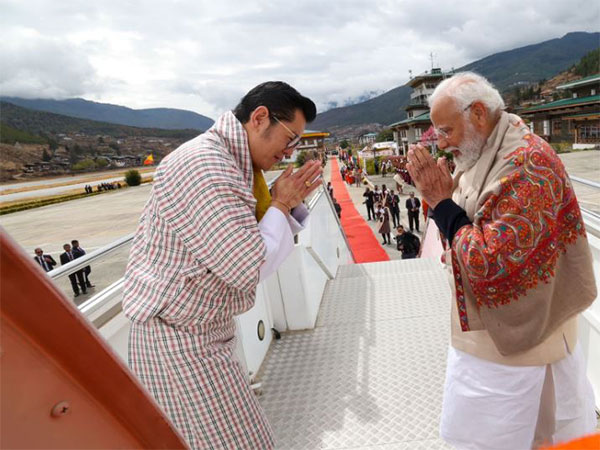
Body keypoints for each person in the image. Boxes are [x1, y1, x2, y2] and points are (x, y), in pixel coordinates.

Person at [122, 81, 322, 449]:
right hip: (179, 339)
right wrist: (280, 204)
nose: (290, 152)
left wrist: (283, 203)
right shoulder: (207, 166)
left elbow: (250, 253)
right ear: (260, 118)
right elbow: (247, 267)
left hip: (196, 331)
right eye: (291, 139)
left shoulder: (230, 162)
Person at [406, 71, 597, 449]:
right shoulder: (488, 149)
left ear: (478, 113)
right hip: (500, 336)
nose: (442, 145)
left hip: (518, 347)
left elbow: (488, 263)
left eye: (446, 131)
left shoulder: (527, 163)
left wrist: (441, 203)